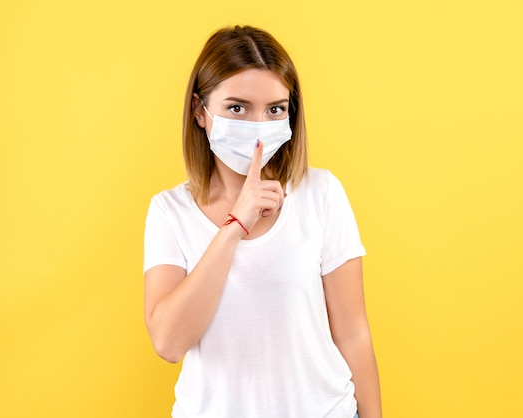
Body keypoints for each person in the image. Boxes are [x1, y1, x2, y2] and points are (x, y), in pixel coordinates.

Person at [143, 25, 382, 418]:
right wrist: (235, 225)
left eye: (275, 109)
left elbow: (354, 333)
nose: (258, 126)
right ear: (201, 112)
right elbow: (168, 342)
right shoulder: (170, 211)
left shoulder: (320, 193)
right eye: (237, 108)